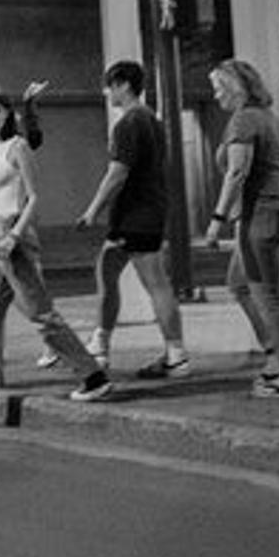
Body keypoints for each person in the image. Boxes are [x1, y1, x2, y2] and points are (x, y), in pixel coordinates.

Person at [0, 89, 111, 417]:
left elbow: (34, 198)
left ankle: (93, 376)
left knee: (41, 315)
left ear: (8, 114)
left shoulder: (17, 147)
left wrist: (14, 236)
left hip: (12, 236)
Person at [74, 60, 190, 380]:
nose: (107, 92)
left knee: (144, 281)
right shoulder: (153, 120)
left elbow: (117, 173)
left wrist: (92, 209)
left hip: (133, 215)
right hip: (151, 211)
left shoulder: (128, 124)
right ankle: (110, 342)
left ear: (124, 85)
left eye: (110, 85)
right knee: (123, 275)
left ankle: (109, 347)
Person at [204, 58, 279, 400]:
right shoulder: (269, 119)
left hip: (260, 216)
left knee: (269, 295)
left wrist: (217, 220)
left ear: (235, 89)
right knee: (239, 284)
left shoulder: (244, 120)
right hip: (278, 211)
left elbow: (237, 172)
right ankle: (274, 354)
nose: (216, 94)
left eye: (219, 87)